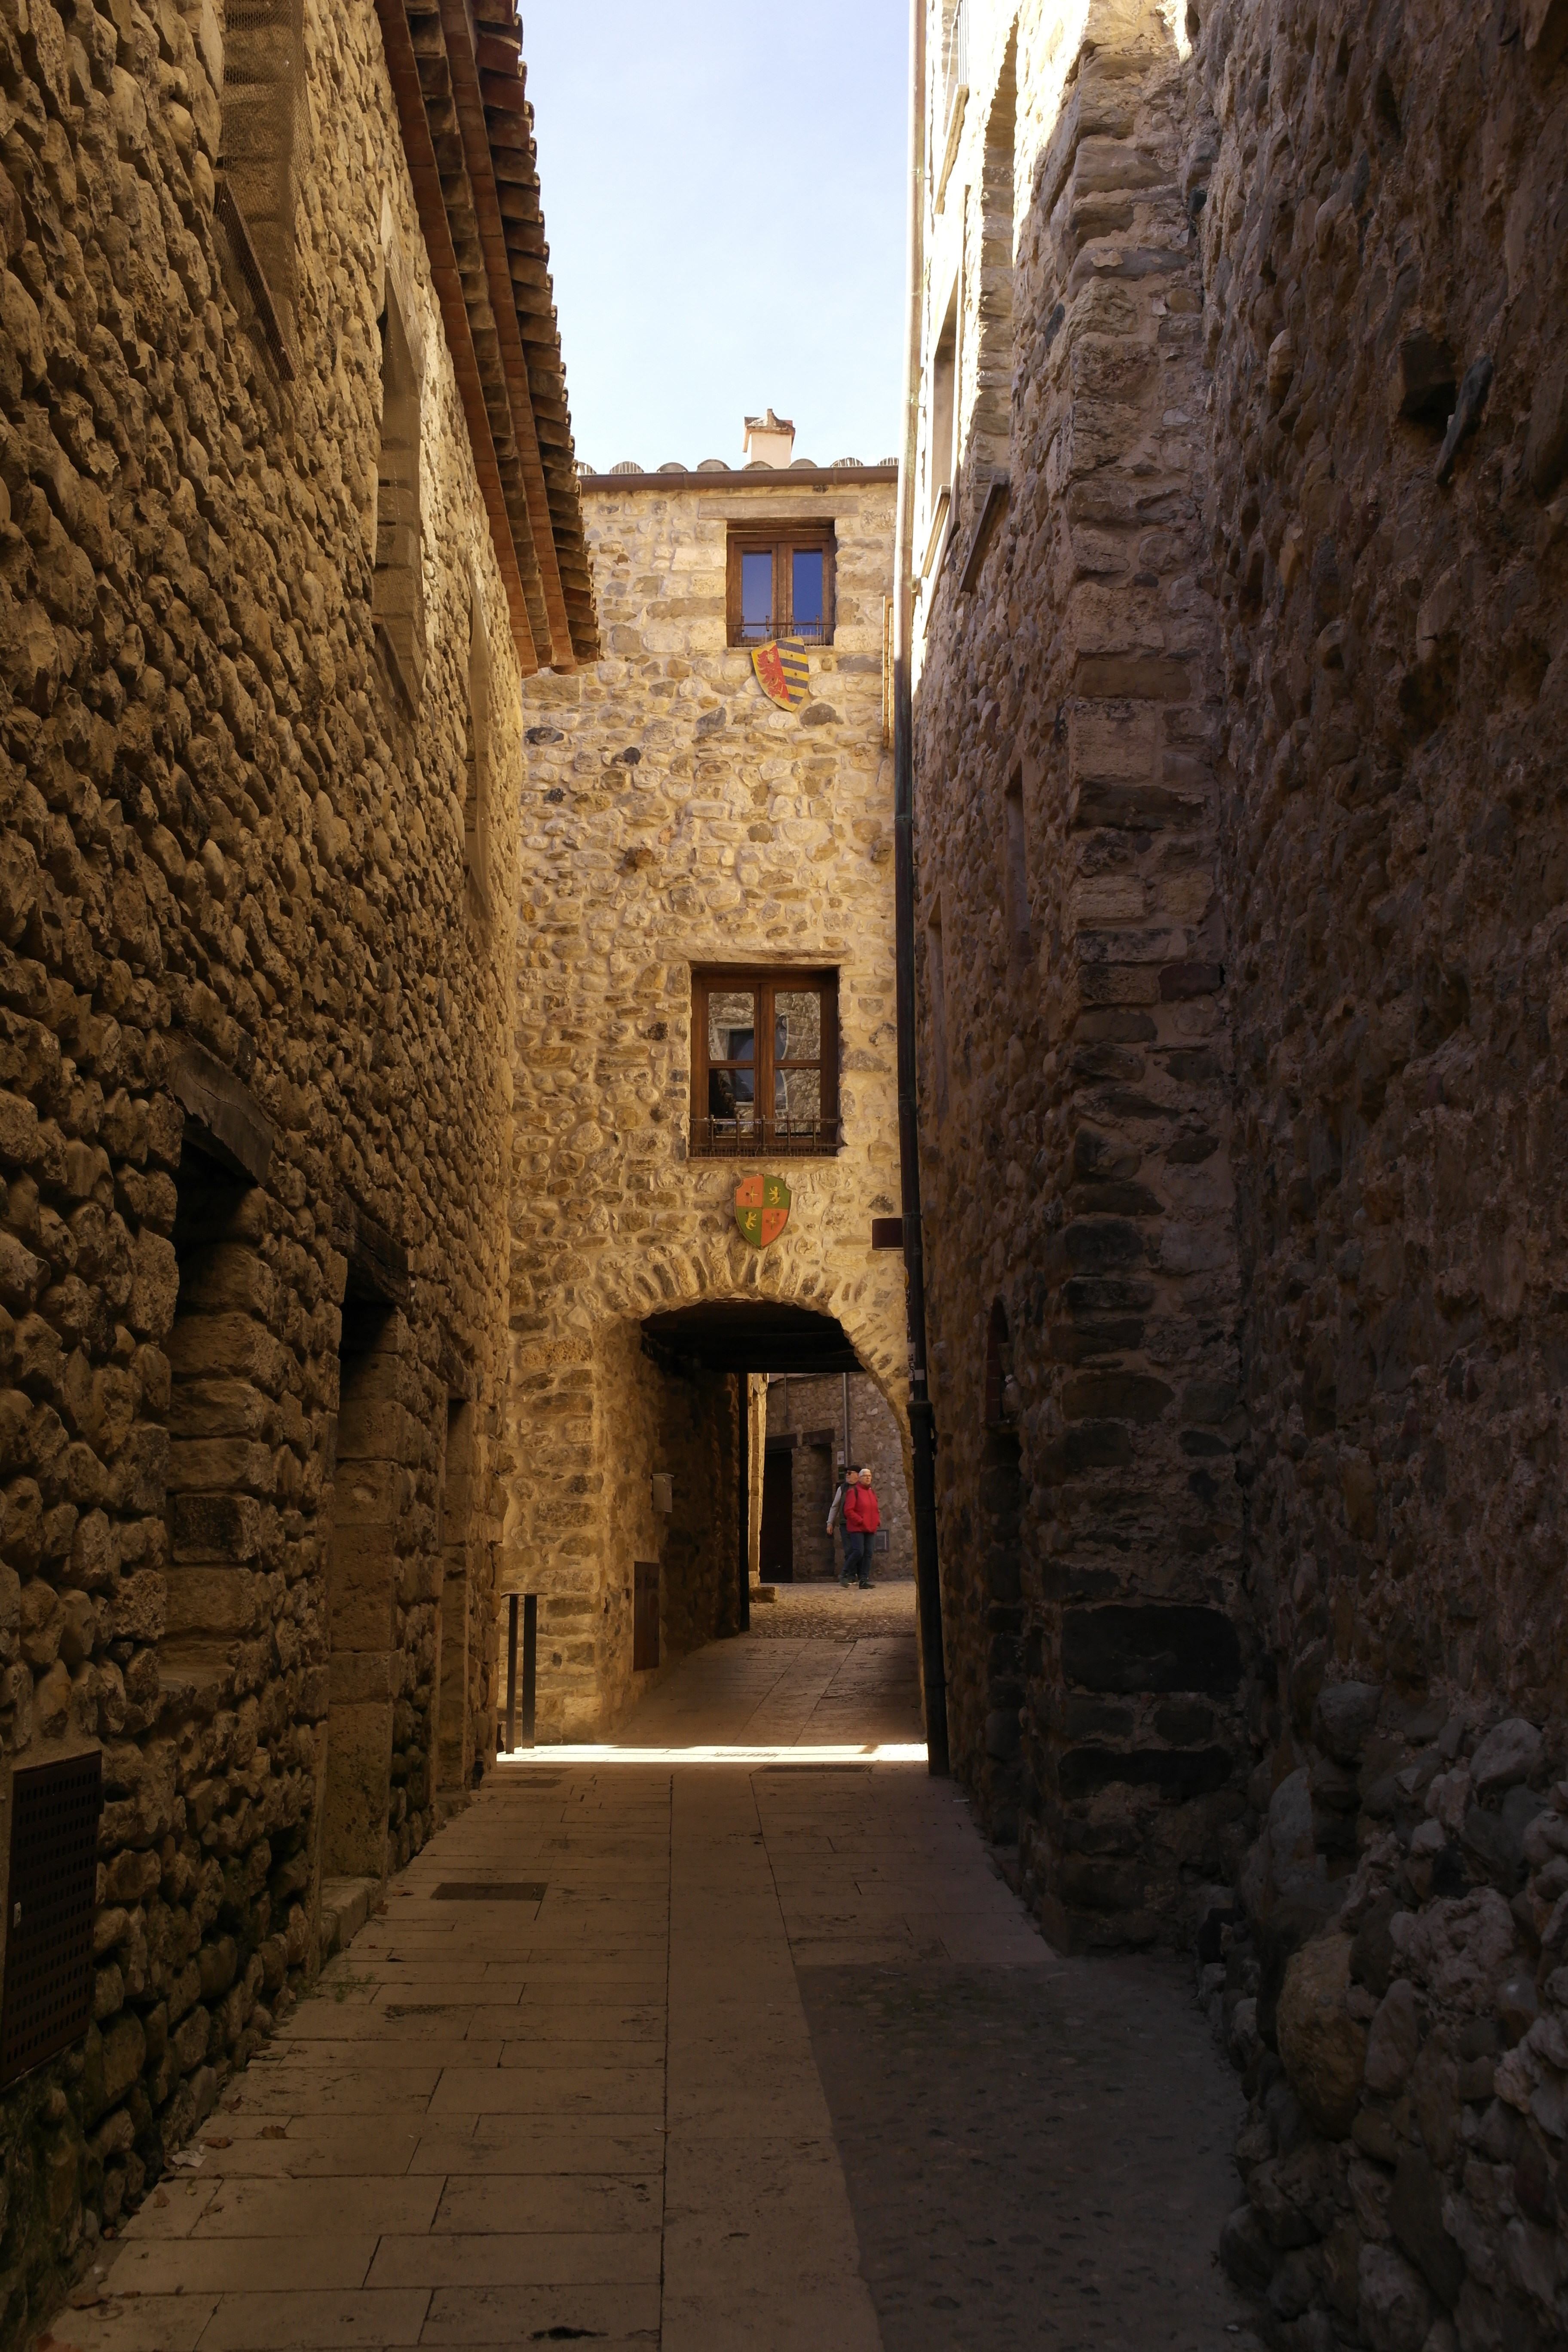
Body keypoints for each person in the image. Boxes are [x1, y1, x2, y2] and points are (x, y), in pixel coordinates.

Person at [839, 1466, 880, 1589]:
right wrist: (860, 1520)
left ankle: (864, 1580)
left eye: (869, 1476)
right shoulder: (854, 1492)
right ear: (860, 1479)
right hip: (857, 1528)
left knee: (869, 1553)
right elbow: (848, 1510)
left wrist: (877, 1520)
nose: (868, 1478)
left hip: (870, 1527)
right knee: (859, 1551)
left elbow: (875, 1508)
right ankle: (844, 1574)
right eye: (865, 1476)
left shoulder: (871, 1492)